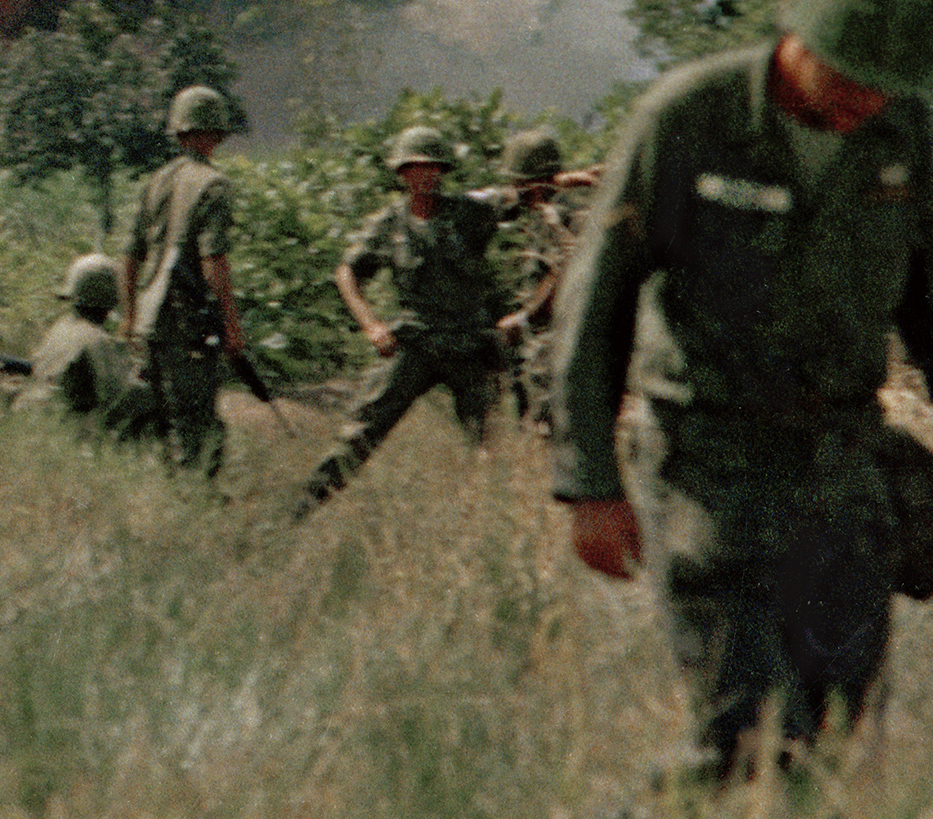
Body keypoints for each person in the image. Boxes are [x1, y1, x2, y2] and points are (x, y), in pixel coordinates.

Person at [550, 0, 933, 788]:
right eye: (852, 77)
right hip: (707, 465)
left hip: (841, 466)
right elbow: (595, 301)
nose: (867, 104)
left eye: (889, 89)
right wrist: (590, 481)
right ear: (800, 36)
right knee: (746, 732)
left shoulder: (906, 141)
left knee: (843, 733)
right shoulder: (690, 119)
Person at [297, 126, 508, 509]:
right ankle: (300, 513)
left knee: (490, 441)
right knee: (361, 432)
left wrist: (575, 178)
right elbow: (347, 273)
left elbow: (522, 193)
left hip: (467, 345)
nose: (427, 175)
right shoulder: (388, 224)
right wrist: (371, 325)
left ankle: (493, 518)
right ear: (402, 172)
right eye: (416, 167)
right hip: (417, 343)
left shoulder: (469, 211)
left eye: (434, 167)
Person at [121, 84, 250, 476]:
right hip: (187, 326)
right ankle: (195, 507)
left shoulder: (155, 182)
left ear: (178, 132)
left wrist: (129, 319)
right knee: (196, 429)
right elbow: (214, 262)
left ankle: (174, 499)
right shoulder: (214, 185)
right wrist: (231, 326)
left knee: (168, 424)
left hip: (150, 324)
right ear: (216, 133)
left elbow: (128, 256)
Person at [492, 127, 597, 430]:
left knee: (549, 424)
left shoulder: (562, 217)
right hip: (558, 337)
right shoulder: (562, 209)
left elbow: (563, 271)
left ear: (530, 183)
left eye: (518, 182)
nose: (514, 189)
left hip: (562, 339)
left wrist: (524, 318)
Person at [20, 253, 147, 437]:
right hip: (61, 426)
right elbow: (120, 393)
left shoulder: (61, 326)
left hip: (34, 415)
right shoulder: (96, 338)